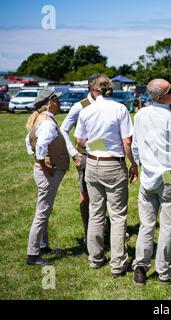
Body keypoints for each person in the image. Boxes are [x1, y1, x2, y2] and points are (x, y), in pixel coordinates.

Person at [131, 78, 171, 285]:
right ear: (161, 96)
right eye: (170, 90)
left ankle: (140, 267)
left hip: (148, 177)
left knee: (146, 225)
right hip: (170, 177)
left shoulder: (140, 114)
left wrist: (143, 164)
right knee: (167, 226)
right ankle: (164, 272)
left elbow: (134, 146)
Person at [74, 75, 138, 277]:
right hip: (113, 164)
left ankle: (95, 258)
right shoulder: (120, 109)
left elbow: (79, 142)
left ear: (93, 90)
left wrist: (97, 144)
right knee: (118, 216)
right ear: (110, 89)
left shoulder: (86, 111)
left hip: (92, 163)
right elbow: (127, 143)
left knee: (95, 212)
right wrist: (134, 164)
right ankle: (118, 264)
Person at [25, 89, 69, 266]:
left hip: (45, 170)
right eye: (57, 100)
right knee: (42, 212)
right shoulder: (48, 123)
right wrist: (44, 164)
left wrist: (40, 161)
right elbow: (40, 145)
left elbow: (29, 143)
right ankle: (32, 254)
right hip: (49, 171)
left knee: (45, 210)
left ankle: (43, 246)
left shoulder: (39, 119)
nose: (59, 104)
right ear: (49, 103)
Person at [60, 74, 99, 244]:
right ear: (90, 88)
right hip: (85, 156)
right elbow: (63, 130)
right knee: (86, 196)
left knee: (106, 195)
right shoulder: (80, 106)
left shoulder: (109, 104)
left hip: (107, 156)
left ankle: (105, 228)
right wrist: (73, 153)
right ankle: (87, 230)